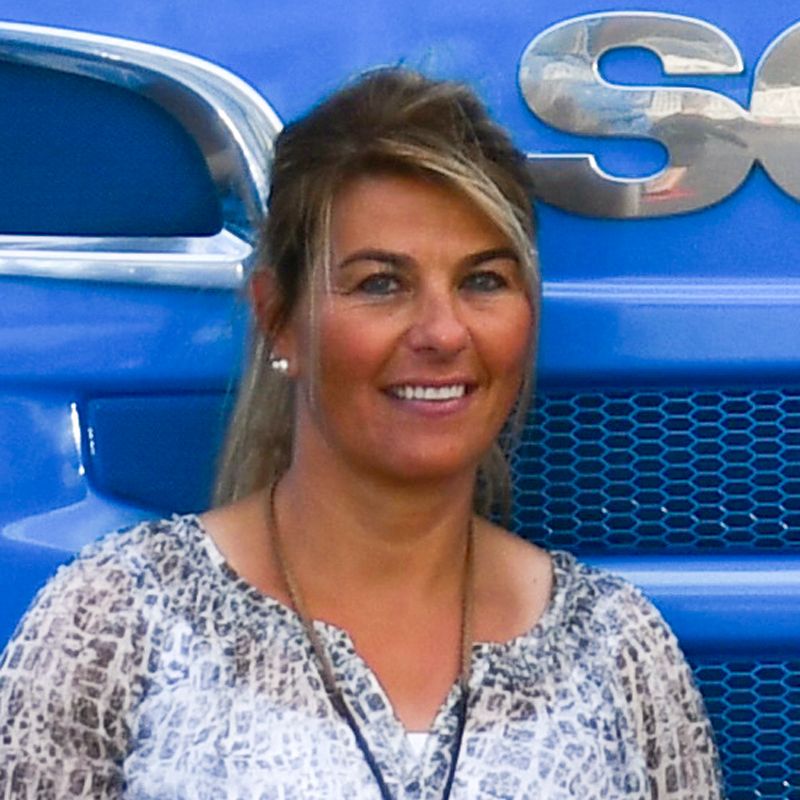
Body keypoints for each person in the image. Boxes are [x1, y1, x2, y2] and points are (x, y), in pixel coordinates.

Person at [0, 68, 722, 799]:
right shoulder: (117, 619)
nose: (443, 333)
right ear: (279, 319)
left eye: (483, 281)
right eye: (381, 283)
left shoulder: (616, 650)